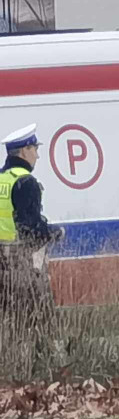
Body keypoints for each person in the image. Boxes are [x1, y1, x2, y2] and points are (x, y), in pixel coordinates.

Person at [0, 125, 63, 313]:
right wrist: (53, 232)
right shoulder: (26, 182)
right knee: (37, 315)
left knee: (8, 319)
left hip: (2, 261)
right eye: (35, 149)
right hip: (21, 261)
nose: (37, 155)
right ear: (24, 151)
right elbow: (30, 228)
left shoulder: (3, 179)